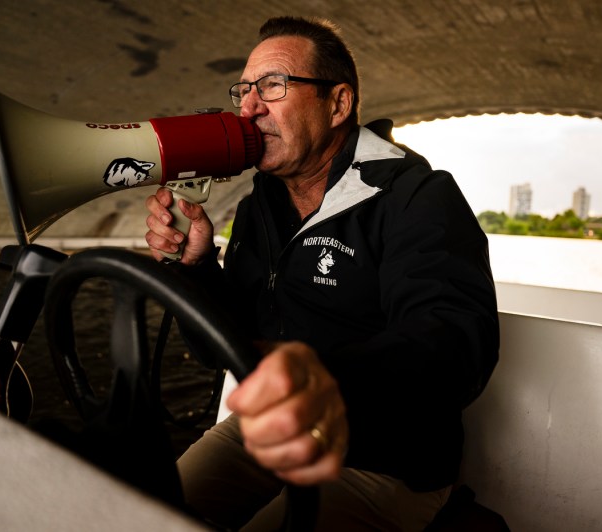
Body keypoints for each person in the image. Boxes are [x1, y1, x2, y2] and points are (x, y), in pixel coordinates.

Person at [144, 15, 499, 531]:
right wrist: (198, 268)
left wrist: (325, 377)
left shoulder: (416, 196)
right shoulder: (257, 206)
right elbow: (217, 348)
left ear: (338, 104)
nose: (248, 107)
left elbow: (456, 346)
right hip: (269, 431)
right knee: (145, 516)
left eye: (273, 86)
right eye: (244, 89)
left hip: (386, 460)